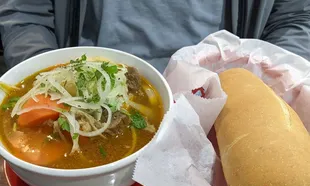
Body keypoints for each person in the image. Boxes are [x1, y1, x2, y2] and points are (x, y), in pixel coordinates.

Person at [0, 0, 309, 73]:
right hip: (78, 90)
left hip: (221, 106)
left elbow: (295, 17)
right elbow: (25, 11)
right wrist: (45, 78)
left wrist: (270, 82)